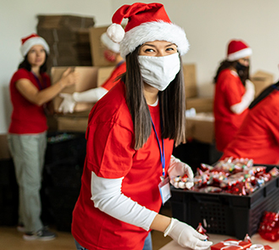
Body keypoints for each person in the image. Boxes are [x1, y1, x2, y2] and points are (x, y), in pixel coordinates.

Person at [71, 3, 213, 250]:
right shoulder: (115, 115)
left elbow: (143, 148)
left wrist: (171, 164)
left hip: (139, 224)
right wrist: (171, 226)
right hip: (108, 236)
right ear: (133, 56)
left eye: (169, 49)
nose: (163, 59)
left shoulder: (161, 98)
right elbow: (105, 196)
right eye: (150, 50)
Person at [8, 33, 77, 240]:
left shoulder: (44, 78)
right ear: (25, 55)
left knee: (32, 180)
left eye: (41, 51)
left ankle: (25, 220)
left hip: (39, 132)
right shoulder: (20, 76)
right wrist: (64, 83)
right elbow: (37, 99)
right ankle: (33, 229)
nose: (38, 55)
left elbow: (47, 105)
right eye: (33, 51)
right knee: (30, 182)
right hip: (23, 135)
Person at [58, 33, 126, 113]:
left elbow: (101, 93)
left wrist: (73, 98)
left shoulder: (124, 68)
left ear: (114, 50)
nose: (104, 50)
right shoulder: (121, 66)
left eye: (106, 47)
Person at [213, 39, 254, 152]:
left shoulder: (233, 76)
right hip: (230, 130)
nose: (246, 64)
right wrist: (250, 93)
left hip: (236, 127)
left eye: (248, 60)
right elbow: (236, 107)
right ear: (234, 59)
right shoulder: (228, 77)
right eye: (244, 60)